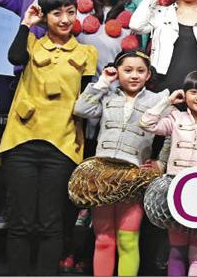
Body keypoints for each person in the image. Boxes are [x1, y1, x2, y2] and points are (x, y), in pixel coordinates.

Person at [0, 0, 97, 275]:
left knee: (51, 224)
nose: (65, 19)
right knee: (20, 222)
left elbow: (85, 102)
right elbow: (15, 58)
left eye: (70, 12)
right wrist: (27, 23)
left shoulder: (87, 52)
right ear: (45, 16)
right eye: (56, 13)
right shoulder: (31, 43)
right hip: (22, 142)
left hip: (62, 145)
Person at [69, 50, 166, 276]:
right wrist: (103, 82)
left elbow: (172, 132)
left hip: (134, 176)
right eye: (128, 70)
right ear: (117, 71)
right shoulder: (108, 96)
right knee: (104, 239)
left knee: (128, 240)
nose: (134, 75)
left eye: (140, 71)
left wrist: (161, 162)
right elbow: (81, 109)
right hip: (103, 175)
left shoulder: (158, 100)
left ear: (148, 74)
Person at [141, 70, 197, 277]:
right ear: (185, 94)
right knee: (176, 250)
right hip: (176, 190)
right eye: (193, 92)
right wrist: (168, 101)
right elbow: (147, 123)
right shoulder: (176, 118)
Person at [74, 0, 138, 74]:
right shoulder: (76, 13)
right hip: (77, 83)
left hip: (113, 84)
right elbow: (41, 12)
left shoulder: (129, 22)